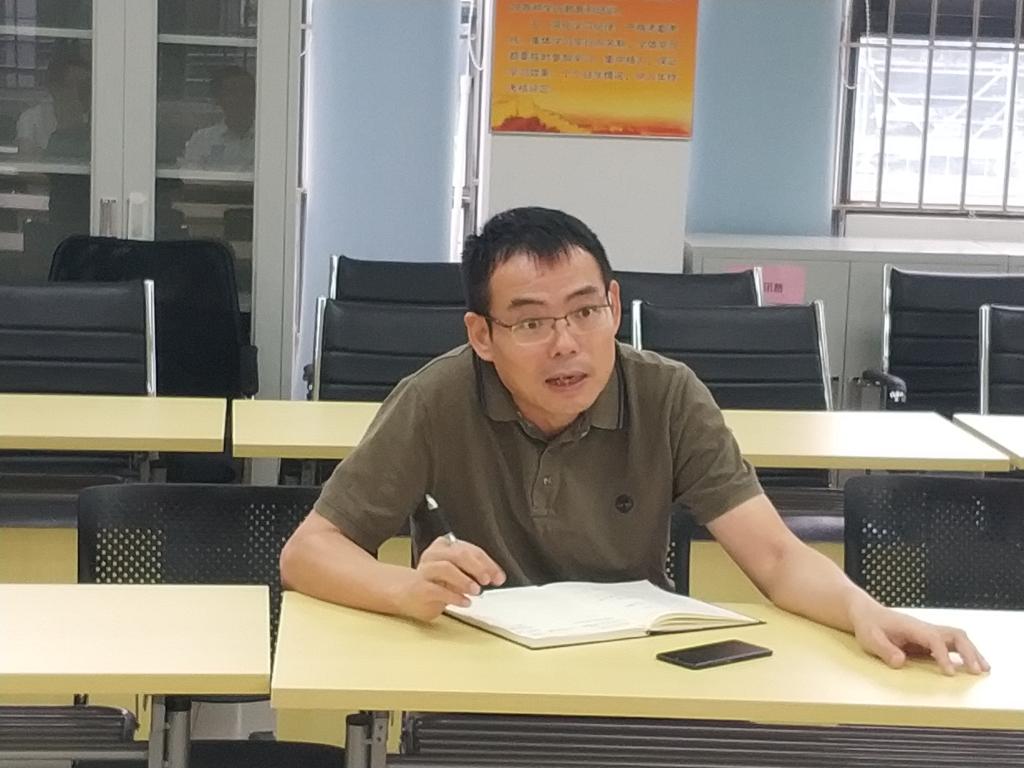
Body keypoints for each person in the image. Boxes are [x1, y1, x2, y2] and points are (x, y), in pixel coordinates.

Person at [280, 206, 988, 676]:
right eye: (531, 323)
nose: (566, 343)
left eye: (584, 311)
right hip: (473, 667)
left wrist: (870, 612)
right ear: (482, 336)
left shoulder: (668, 395)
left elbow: (775, 557)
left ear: (614, 306)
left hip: (632, 670)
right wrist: (406, 588)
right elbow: (308, 552)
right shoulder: (436, 397)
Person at [16, 49, 91, 158]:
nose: (77, 92)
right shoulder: (31, 119)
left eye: (83, 86)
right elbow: (28, 161)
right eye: (69, 85)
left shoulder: (98, 118)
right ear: (54, 88)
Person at [178, 66, 255, 171]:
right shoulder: (202, 140)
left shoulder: (270, 138)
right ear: (219, 99)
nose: (240, 98)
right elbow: (191, 177)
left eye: (247, 92)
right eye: (233, 92)